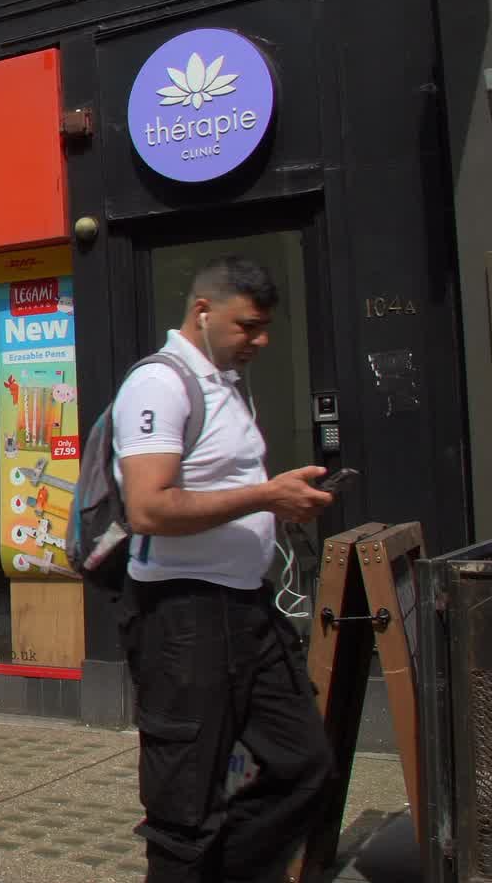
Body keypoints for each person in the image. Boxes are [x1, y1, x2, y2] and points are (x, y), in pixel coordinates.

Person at [113, 256, 338, 883]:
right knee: (185, 806)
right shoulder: (159, 384)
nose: (260, 341)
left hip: (246, 606)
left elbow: (219, 487)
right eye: (248, 326)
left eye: (265, 328)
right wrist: (266, 496)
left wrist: (276, 506)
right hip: (182, 616)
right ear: (203, 311)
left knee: (305, 765)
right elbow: (148, 507)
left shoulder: (226, 383)